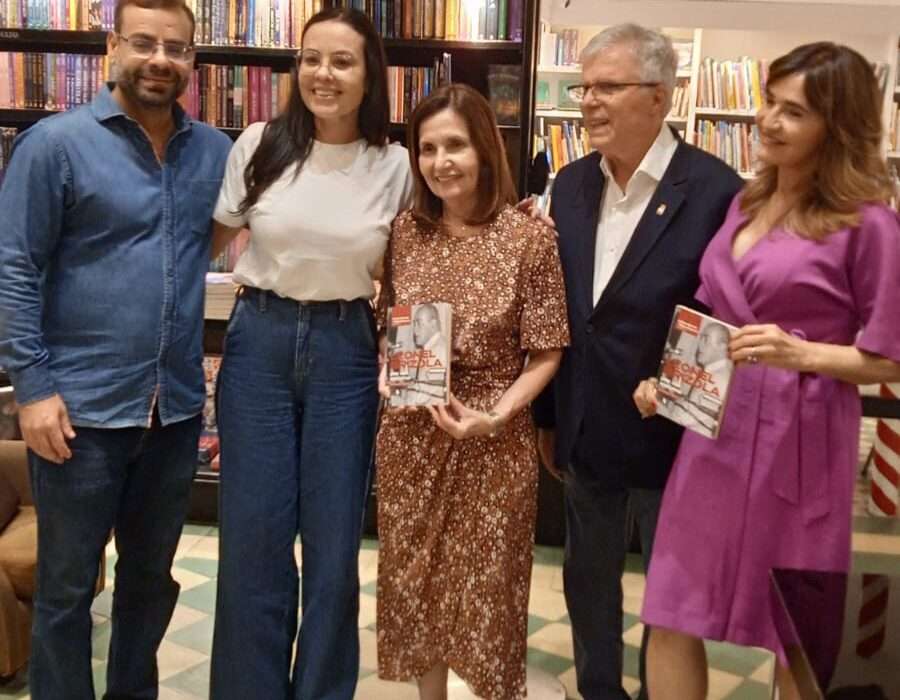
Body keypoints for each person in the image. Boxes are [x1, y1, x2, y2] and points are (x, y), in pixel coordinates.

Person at [632, 42, 900, 700]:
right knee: (670, 608)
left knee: (798, 632)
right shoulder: (745, 206)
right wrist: (667, 384)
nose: (770, 121)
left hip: (801, 443)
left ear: (835, 127)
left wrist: (799, 353)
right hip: (714, 430)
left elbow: (891, 356)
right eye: (769, 102)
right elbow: (716, 317)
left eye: (795, 111)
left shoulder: (870, 225)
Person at [0, 0, 232, 696]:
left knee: (148, 587)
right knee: (66, 591)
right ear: (112, 49)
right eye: (144, 43)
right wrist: (33, 391)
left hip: (174, 413)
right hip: (77, 416)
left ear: (193, 59)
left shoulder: (216, 151)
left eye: (176, 48)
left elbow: (218, 238)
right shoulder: (54, 145)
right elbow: (13, 267)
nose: (160, 59)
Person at [530, 23, 744, 700]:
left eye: (608, 87)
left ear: (659, 97)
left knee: (671, 598)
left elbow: (725, 314)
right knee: (588, 583)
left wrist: (683, 397)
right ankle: (599, 689)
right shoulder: (567, 185)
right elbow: (554, 312)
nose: (589, 102)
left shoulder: (715, 191)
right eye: (584, 87)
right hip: (586, 424)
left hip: (673, 434)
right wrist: (546, 414)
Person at [208, 8, 413, 699]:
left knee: (332, 553)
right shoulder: (261, 144)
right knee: (254, 545)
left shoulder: (395, 164)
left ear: (369, 75)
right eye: (312, 59)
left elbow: (433, 254)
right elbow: (201, 244)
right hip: (259, 344)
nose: (324, 74)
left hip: (345, 352)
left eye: (343, 61)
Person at [375, 83, 570, 700]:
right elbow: (396, 324)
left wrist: (496, 415)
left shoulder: (529, 239)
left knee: (488, 591)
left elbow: (547, 352)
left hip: (493, 437)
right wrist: (389, 367)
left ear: (485, 148)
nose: (440, 162)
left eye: (454, 145)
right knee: (416, 582)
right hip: (412, 434)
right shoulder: (406, 231)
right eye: (426, 148)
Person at [661, 321, 732, 438]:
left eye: (706, 339)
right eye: (701, 338)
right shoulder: (715, 371)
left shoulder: (719, 379)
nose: (699, 345)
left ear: (722, 347)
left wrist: (655, 398)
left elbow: (680, 420)